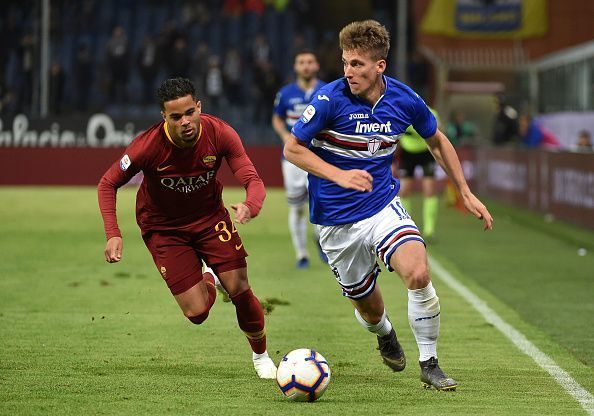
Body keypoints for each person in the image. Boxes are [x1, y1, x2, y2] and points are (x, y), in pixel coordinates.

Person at [284, 20, 493, 391]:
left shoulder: (404, 99)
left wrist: (464, 190)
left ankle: (430, 363)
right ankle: (385, 334)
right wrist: (339, 175)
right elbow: (293, 148)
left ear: (380, 66)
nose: (348, 72)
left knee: (417, 272)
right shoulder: (329, 100)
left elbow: (437, 140)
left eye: (358, 65)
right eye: (346, 63)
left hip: (381, 205)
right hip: (334, 222)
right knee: (370, 310)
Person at [97, 77, 277, 379]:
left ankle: (261, 358)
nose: (186, 122)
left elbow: (252, 179)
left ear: (199, 107)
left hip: (209, 219)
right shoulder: (147, 146)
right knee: (197, 314)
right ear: (164, 117)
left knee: (239, 287)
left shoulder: (221, 133)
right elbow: (108, 182)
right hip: (163, 229)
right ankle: (208, 274)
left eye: (190, 112)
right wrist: (113, 232)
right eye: (176, 117)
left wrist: (251, 205)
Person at [272, 49, 327, 268]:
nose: (305, 65)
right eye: (301, 62)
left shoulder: (326, 90)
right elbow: (277, 118)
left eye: (310, 61)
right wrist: (285, 135)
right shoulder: (286, 93)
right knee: (296, 207)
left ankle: (321, 241)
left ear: (316, 66)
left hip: (320, 156)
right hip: (293, 159)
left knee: (321, 202)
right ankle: (301, 253)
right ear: (295, 67)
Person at [396, 107, 441, 243]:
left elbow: (439, 133)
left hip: (426, 153)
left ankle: (429, 230)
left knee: (429, 190)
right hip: (407, 153)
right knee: (404, 191)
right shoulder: (401, 111)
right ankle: (406, 227)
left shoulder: (432, 113)